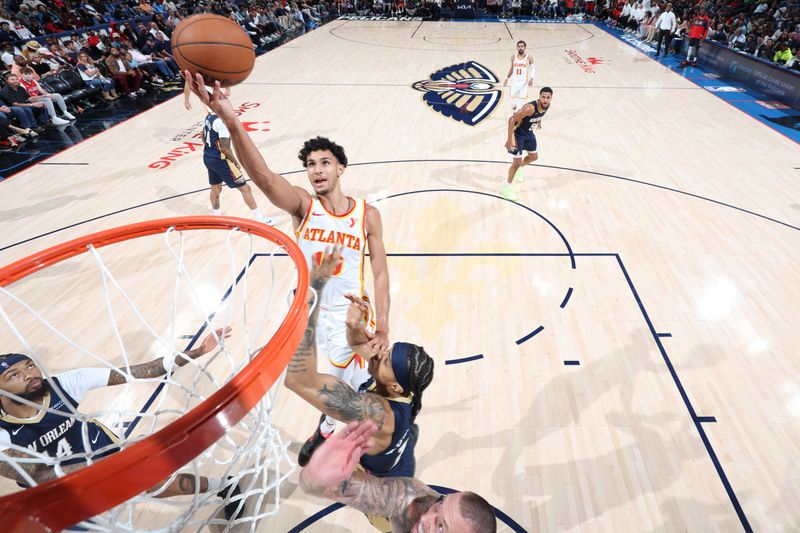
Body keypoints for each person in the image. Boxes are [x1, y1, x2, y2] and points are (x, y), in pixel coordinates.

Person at [185, 72, 393, 463]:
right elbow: (263, 177)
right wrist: (231, 120)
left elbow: (380, 272)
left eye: (325, 163)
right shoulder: (302, 205)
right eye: (311, 164)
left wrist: (383, 324)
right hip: (311, 316)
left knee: (352, 388)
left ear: (341, 168)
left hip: (353, 318)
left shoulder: (368, 215)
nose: (317, 170)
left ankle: (326, 428)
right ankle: (334, 438)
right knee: (334, 392)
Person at [0, 329, 243, 521]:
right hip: (53, 484)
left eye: (29, 365)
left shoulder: (65, 384)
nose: (29, 374)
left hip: (100, 451)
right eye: (14, 374)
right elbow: (38, 474)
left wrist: (198, 351)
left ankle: (225, 485)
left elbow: (141, 371)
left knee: (158, 485)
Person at [286, 249, 434, 531]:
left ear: (394, 386)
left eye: (386, 357)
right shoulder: (404, 388)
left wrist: (311, 297)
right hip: (391, 461)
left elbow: (299, 380)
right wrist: (355, 324)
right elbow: (360, 346)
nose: (378, 351)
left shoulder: (376, 411)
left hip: (385, 502)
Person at [300, 420, 497, 533]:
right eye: (439, 503)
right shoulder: (407, 501)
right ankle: (406, 438)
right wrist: (315, 474)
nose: (425, 518)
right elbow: (313, 485)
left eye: (440, 527)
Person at [202, 105, 275, 224]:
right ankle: (260, 218)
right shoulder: (222, 122)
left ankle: (216, 216)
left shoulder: (209, 117)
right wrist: (235, 162)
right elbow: (225, 148)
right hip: (221, 160)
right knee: (245, 188)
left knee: (215, 187)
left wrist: (211, 149)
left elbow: (203, 137)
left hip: (207, 157)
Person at [501, 86, 553, 202]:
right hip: (517, 135)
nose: (545, 100)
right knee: (516, 162)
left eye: (548, 98)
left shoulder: (546, 106)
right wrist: (509, 140)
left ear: (551, 99)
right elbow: (511, 120)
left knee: (534, 157)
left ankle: (520, 168)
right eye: (543, 97)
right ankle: (506, 188)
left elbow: (540, 114)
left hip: (529, 134)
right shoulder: (530, 108)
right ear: (539, 97)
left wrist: (539, 120)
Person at [503, 40, 534, 114]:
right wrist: (507, 78)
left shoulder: (529, 57)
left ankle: (518, 115)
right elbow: (512, 68)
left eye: (522, 46)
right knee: (512, 103)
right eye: (519, 46)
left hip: (524, 83)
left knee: (521, 101)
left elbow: (532, 69)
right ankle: (515, 111)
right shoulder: (513, 57)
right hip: (515, 82)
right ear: (517, 47)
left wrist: (532, 78)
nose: (520, 48)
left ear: (525, 47)